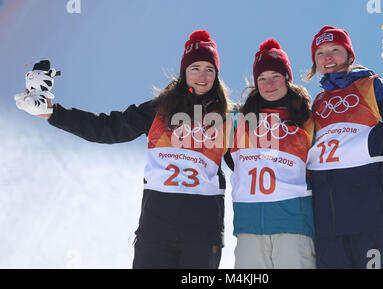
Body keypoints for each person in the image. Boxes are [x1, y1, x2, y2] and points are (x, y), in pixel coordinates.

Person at [16, 30, 232, 269]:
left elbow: (256, 161)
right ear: (184, 73)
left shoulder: (226, 119)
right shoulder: (158, 110)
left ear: (216, 75)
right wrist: (53, 113)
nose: (202, 76)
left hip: (202, 235)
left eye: (209, 70)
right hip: (157, 229)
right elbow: (108, 128)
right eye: (195, 68)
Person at [304, 25, 383, 269]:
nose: (327, 57)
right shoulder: (317, 104)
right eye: (319, 53)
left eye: (335, 49)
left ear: (350, 56)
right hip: (328, 224)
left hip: (372, 217)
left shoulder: (371, 86)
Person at [224, 39, 316, 269]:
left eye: (275, 76)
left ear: (287, 78)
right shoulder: (237, 123)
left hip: (294, 227)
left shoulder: (307, 121)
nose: (269, 84)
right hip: (249, 229)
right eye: (262, 78)